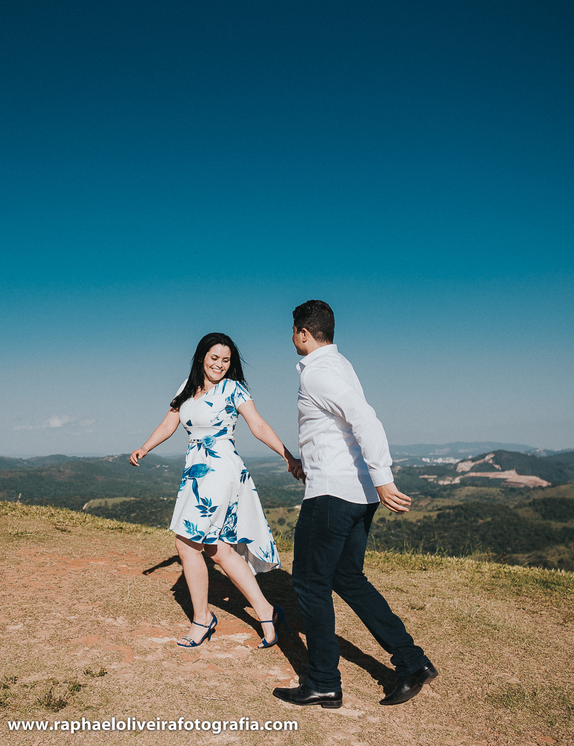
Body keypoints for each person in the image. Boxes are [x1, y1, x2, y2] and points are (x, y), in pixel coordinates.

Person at [273, 300, 438, 709]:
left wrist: (384, 476)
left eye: (293, 331)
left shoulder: (319, 373)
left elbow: (365, 418)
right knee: (347, 578)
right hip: (354, 491)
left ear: (304, 333)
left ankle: (324, 681)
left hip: (334, 493)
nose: (291, 337)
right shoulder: (340, 365)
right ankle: (412, 662)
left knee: (310, 584)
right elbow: (339, 429)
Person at [131, 332, 303, 649]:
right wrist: (144, 447)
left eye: (226, 360)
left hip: (221, 468)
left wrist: (288, 457)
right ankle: (267, 612)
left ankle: (202, 619)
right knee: (217, 548)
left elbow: (259, 425)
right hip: (195, 469)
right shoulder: (185, 387)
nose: (220, 365)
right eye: (214, 358)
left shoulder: (234, 389)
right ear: (201, 357)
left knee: (186, 543)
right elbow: (169, 423)